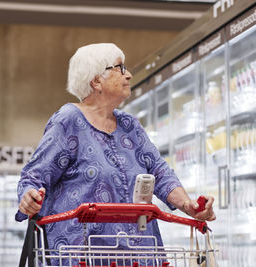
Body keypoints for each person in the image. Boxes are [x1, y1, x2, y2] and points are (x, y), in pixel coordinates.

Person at [16, 43, 216, 265]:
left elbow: (159, 172)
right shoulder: (68, 120)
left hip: (136, 256)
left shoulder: (129, 125)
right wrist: (29, 197)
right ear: (95, 81)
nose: (128, 75)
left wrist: (189, 206)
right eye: (120, 68)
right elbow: (33, 177)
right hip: (84, 256)